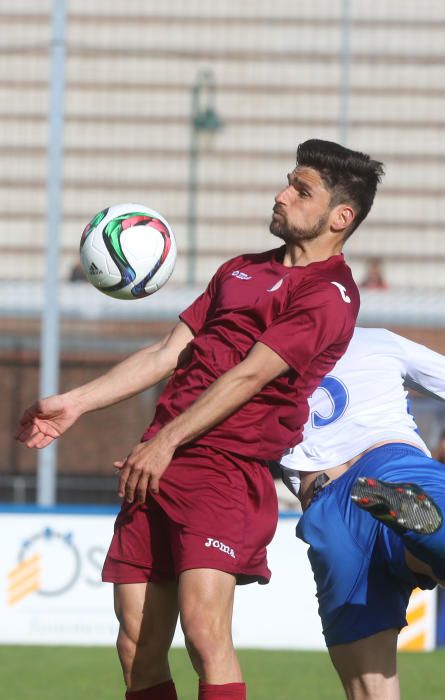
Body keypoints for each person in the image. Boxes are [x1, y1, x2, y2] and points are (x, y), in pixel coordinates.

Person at [15, 139, 383, 700]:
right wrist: (76, 403)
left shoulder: (330, 294)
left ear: (341, 217)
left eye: (300, 190)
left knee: (205, 634)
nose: (282, 195)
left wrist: (165, 441)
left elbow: (248, 378)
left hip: (225, 471)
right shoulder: (238, 271)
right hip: (157, 461)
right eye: (288, 181)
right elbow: (166, 354)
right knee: (136, 644)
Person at [281, 327, 445, 700]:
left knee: (371, 690)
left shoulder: (262, 357)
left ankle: (422, 545)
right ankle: (424, 547)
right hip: (383, 476)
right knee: (429, 533)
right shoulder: (376, 340)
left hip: (334, 501)